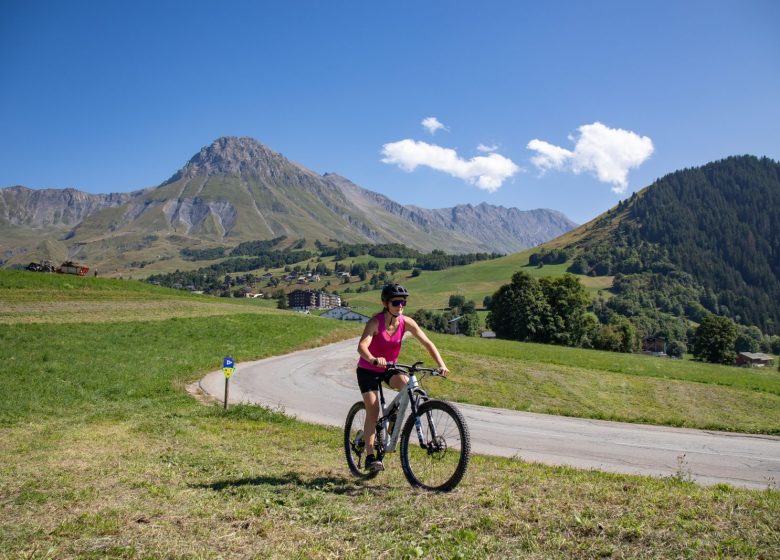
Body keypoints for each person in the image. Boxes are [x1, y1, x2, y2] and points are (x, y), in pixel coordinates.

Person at [356, 283, 450, 472]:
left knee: (408, 386)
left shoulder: (406, 322)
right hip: (369, 368)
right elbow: (362, 346)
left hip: (389, 367)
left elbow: (427, 342)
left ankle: (391, 423)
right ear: (385, 303)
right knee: (373, 412)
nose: (400, 306)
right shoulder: (375, 322)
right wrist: (373, 359)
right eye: (396, 302)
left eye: (403, 302)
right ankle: (370, 457)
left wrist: (441, 364)